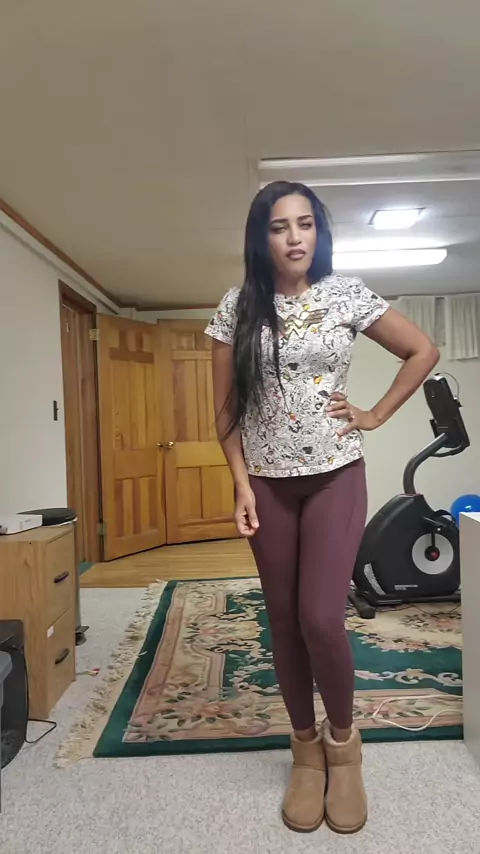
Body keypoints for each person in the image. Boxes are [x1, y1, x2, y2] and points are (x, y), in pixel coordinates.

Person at [205, 181, 439, 835]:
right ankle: (305, 751)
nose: (294, 237)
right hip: (267, 483)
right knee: (283, 622)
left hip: (336, 475)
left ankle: (344, 746)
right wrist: (241, 484)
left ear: (319, 231)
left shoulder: (346, 294)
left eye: (305, 223)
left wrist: (375, 413)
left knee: (320, 619)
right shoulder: (236, 307)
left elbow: (422, 350)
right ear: (261, 237)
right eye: (279, 226)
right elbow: (225, 411)